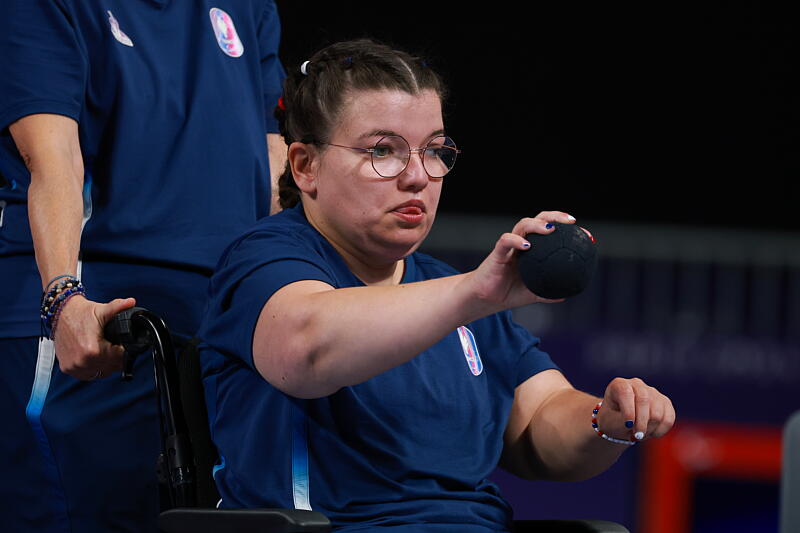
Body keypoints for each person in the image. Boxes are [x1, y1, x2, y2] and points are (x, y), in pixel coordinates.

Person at [198, 39, 676, 532]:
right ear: (305, 166)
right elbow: (306, 348)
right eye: (383, 150)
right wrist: (473, 294)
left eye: (434, 151)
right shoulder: (265, 259)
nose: (417, 177)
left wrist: (607, 420)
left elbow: (540, 422)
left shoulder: (446, 287)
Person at [0, 2, 286, 532]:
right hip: (96, 311)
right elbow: (52, 155)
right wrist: (63, 297)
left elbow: (272, 161)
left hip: (223, 313)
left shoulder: (250, 8)